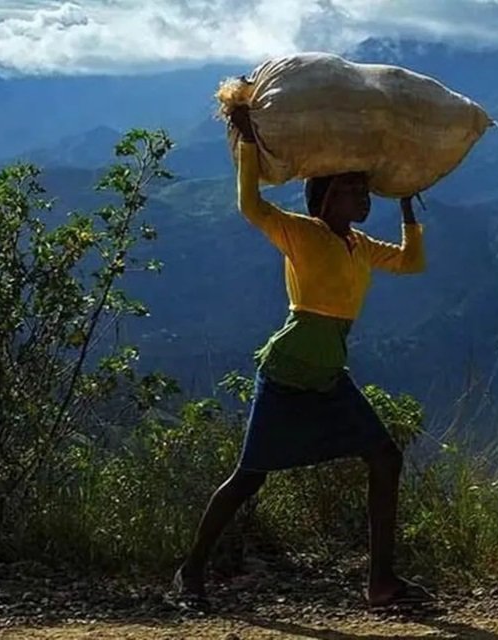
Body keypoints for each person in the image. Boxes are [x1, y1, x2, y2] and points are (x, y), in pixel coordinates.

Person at [173, 103, 431, 609]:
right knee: (249, 477)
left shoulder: (359, 245)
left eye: (364, 190)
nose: (362, 198)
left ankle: (381, 585)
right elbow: (251, 205)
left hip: (330, 376)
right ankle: (190, 571)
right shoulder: (301, 232)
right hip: (289, 372)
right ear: (327, 196)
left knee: (385, 458)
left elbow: (410, 262)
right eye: (354, 190)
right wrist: (248, 142)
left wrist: (405, 206)